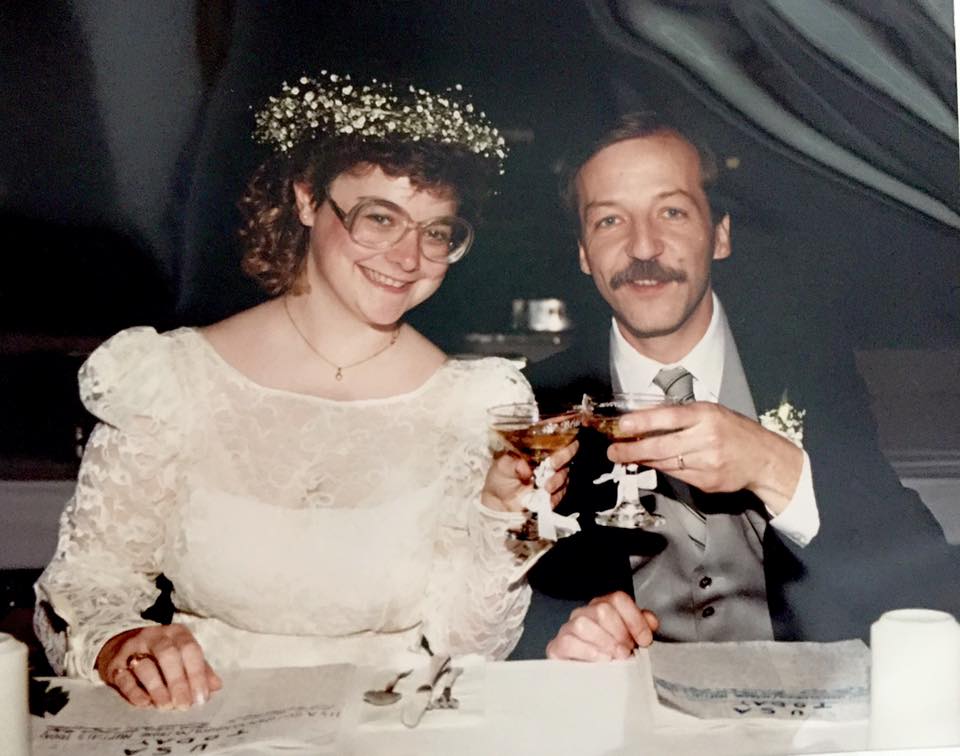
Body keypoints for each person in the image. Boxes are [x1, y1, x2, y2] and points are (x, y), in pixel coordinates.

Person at [34, 72, 575, 709]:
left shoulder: (472, 404)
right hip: (207, 719)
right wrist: (120, 642)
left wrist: (500, 519)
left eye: (436, 232)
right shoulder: (176, 380)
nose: (408, 258)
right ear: (307, 200)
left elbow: (471, 646)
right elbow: (86, 582)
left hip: (391, 730)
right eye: (380, 218)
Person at [515, 111, 960, 661]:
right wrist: (560, 642)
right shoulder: (538, 402)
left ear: (720, 235)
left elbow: (924, 584)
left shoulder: (808, 367)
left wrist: (775, 467)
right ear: (584, 252)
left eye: (672, 212)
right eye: (610, 221)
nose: (644, 248)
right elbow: (495, 619)